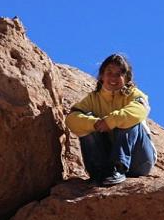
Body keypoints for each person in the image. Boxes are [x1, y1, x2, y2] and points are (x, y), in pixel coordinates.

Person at [65, 54, 157, 186]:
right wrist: (95, 124)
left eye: (119, 74)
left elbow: (140, 110)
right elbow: (71, 119)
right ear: (102, 76)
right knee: (85, 122)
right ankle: (98, 172)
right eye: (109, 72)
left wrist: (110, 121)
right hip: (106, 161)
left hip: (138, 161)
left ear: (126, 78)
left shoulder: (134, 94)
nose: (113, 77)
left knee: (128, 119)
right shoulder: (93, 99)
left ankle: (118, 167)